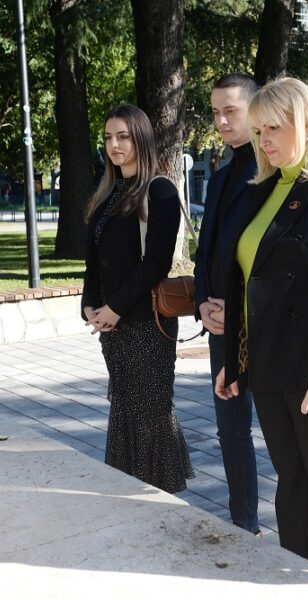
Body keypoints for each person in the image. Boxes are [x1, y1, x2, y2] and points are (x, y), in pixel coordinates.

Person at [215, 76, 308, 580]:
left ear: (305, 124)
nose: (264, 140)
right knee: (291, 481)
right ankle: (297, 579)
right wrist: (234, 361)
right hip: (269, 365)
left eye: (274, 128)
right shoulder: (262, 190)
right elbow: (247, 283)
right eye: (259, 130)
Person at [82, 103, 194, 494]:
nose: (114, 145)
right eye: (108, 137)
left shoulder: (159, 190)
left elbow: (156, 263)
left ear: (141, 139)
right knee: (126, 410)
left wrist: (114, 308)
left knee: (151, 414)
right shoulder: (108, 193)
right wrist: (89, 305)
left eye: (123, 136)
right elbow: (94, 259)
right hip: (113, 328)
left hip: (146, 324)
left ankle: (159, 496)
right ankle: (130, 488)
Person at [193, 74, 261, 534]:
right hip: (219, 325)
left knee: (280, 430)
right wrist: (202, 302)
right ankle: (245, 523)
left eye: (230, 111)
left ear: (255, 110)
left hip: (259, 323)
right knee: (230, 429)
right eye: (215, 112)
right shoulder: (219, 178)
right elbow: (205, 252)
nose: (220, 121)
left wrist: (235, 309)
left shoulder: (272, 174)